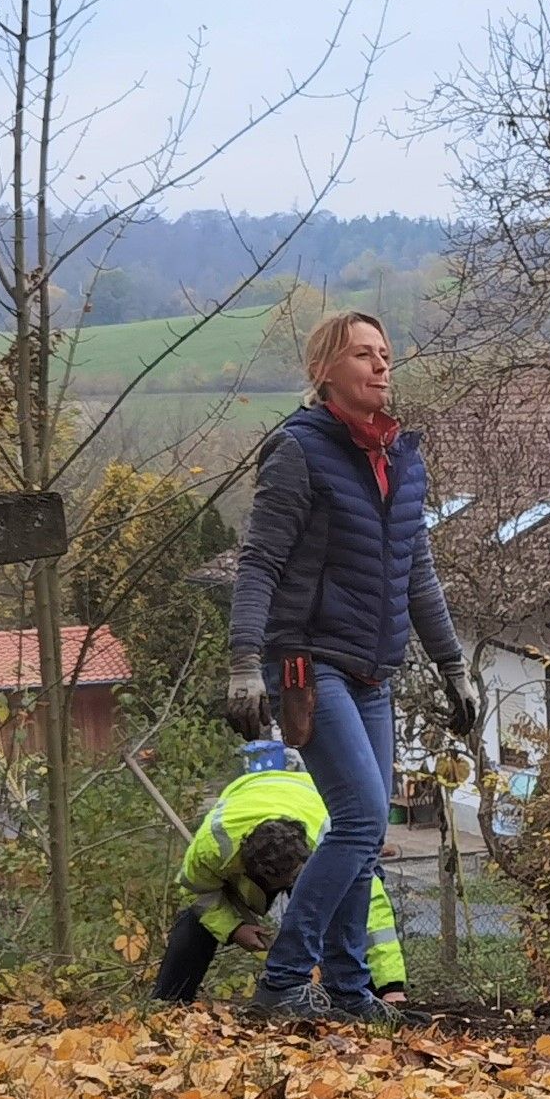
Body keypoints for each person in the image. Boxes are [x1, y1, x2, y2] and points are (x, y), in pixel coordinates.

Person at [224, 310, 478, 1024]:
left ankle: (346, 992)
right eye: (363, 354)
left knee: (358, 836)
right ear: (324, 371)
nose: (380, 366)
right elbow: (259, 564)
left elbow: (416, 571)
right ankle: (280, 983)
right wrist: (247, 662)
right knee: (365, 817)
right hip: (308, 662)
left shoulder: (402, 457)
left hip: (374, 668)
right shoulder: (298, 452)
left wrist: (453, 665)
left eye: (386, 354)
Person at [153, 734, 409, 1005]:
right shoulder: (213, 846)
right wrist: (235, 928)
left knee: (345, 913)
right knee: (194, 922)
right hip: (248, 796)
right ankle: (168, 1004)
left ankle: (355, 997)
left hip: (306, 798)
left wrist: (392, 986)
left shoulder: (333, 842)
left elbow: (371, 912)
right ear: (249, 868)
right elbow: (195, 892)